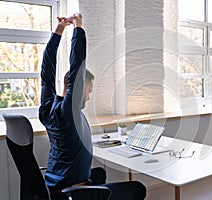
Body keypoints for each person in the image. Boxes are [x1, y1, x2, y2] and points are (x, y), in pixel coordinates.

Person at [39, 14, 146, 200]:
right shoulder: (69, 112)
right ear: (76, 88)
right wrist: (78, 27)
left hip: (56, 186)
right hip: (74, 193)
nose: (88, 97)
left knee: (98, 174)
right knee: (138, 188)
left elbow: (47, 68)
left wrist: (59, 31)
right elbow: (77, 66)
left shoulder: (47, 107)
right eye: (88, 91)